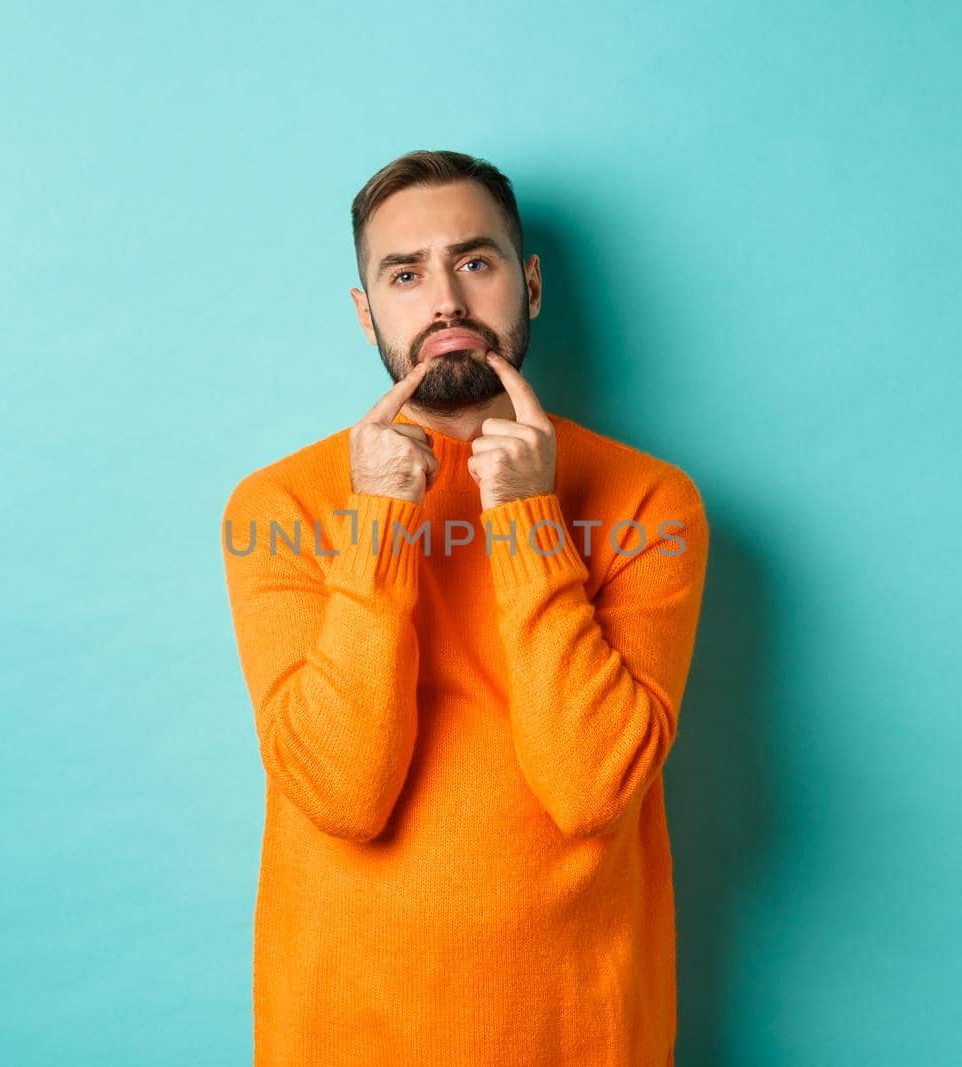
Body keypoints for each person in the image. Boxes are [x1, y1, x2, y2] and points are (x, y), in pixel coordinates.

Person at [220, 149, 709, 1065]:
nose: (443, 300)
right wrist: (377, 523)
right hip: (342, 1028)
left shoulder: (649, 500)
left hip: (579, 1029)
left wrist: (527, 514)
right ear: (367, 311)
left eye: (474, 262)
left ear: (527, 285)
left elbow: (592, 786)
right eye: (404, 275)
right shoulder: (279, 506)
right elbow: (342, 793)